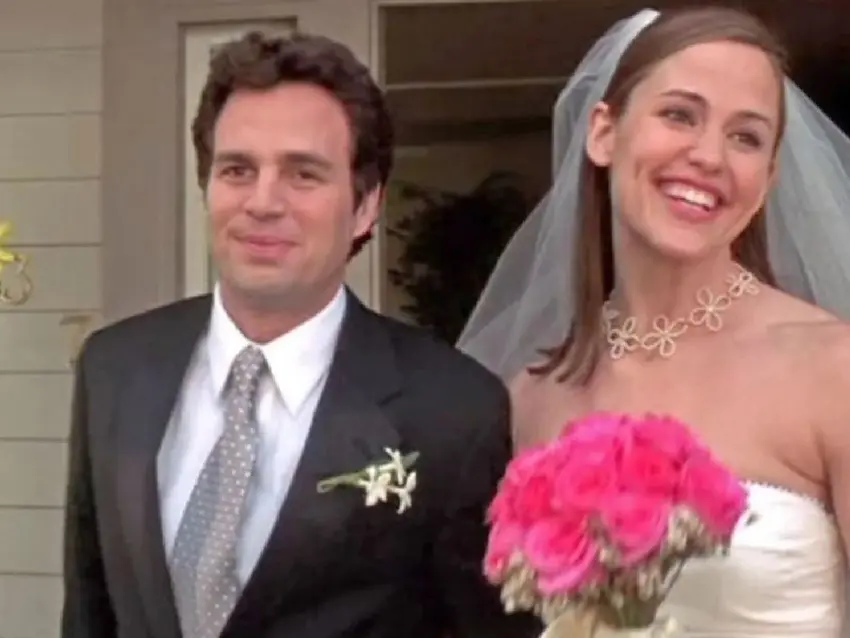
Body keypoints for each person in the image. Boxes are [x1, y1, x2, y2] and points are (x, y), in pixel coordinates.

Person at [61, 32, 540, 638]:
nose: (263, 202)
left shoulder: (453, 410)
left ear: (364, 206)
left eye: (303, 173)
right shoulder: (114, 368)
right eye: (238, 169)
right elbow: (90, 612)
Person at [458, 6, 850, 637]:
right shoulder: (530, 398)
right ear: (603, 133)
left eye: (746, 137)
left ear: (769, 177)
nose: (710, 156)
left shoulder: (832, 370)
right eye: (679, 115)